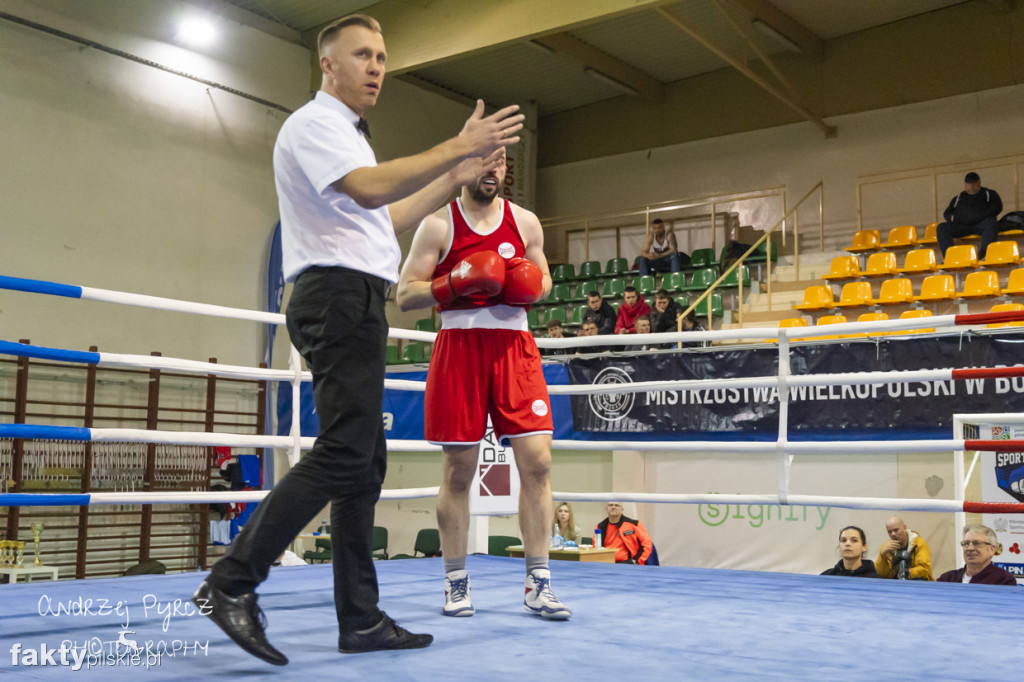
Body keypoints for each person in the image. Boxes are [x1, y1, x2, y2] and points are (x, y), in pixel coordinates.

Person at [192, 14, 525, 665]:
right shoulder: (314, 125)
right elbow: (371, 188)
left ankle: (361, 618)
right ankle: (231, 582)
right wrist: (456, 147)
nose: (377, 66)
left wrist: (451, 178)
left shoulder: (347, 137)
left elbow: (384, 214)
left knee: (362, 459)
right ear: (328, 65)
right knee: (346, 452)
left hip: (354, 296)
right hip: (336, 297)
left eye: (382, 55)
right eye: (363, 54)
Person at [396, 148, 571, 621]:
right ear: (466, 164)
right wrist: (452, 281)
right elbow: (404, 292)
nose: (493, 170)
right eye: (484, 160)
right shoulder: (438, 225)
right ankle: (455, 582)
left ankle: (539, 583)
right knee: (459, 471)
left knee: (537, 464)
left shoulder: (526, 222)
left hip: (515, 348)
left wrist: (529, 284)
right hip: (460, 348)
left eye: (501, 162)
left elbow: (547, 280)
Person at [936, 172, 1003, 260]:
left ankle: (985, 254)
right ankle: (950, 257)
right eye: (969, 184)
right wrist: (956, 219)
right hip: (962, 225)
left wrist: (978, 216)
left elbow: (997, 207)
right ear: (965, 185)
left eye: (974, 184)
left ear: (979, 183)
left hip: (981, 224)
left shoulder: (989, 194)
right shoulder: (958, 198)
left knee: (991, 222)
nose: (972, 187)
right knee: (942, 227)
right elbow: (947, 213)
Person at [937, 525, 1018, 585]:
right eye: (966, 543)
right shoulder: (947, 579)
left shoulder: (1003, 580)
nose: (970, 548)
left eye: (977, 543)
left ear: (992, 549)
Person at [874, 516, 933, 580]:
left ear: (904, 528)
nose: (893, 534)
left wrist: (906, 573)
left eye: (896, 530)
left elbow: (924, 568)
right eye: (889, 531)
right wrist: (882, 556)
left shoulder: (919, 544)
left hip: (918, 582)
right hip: (895, 583)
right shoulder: (886, 547)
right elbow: (881, 574)